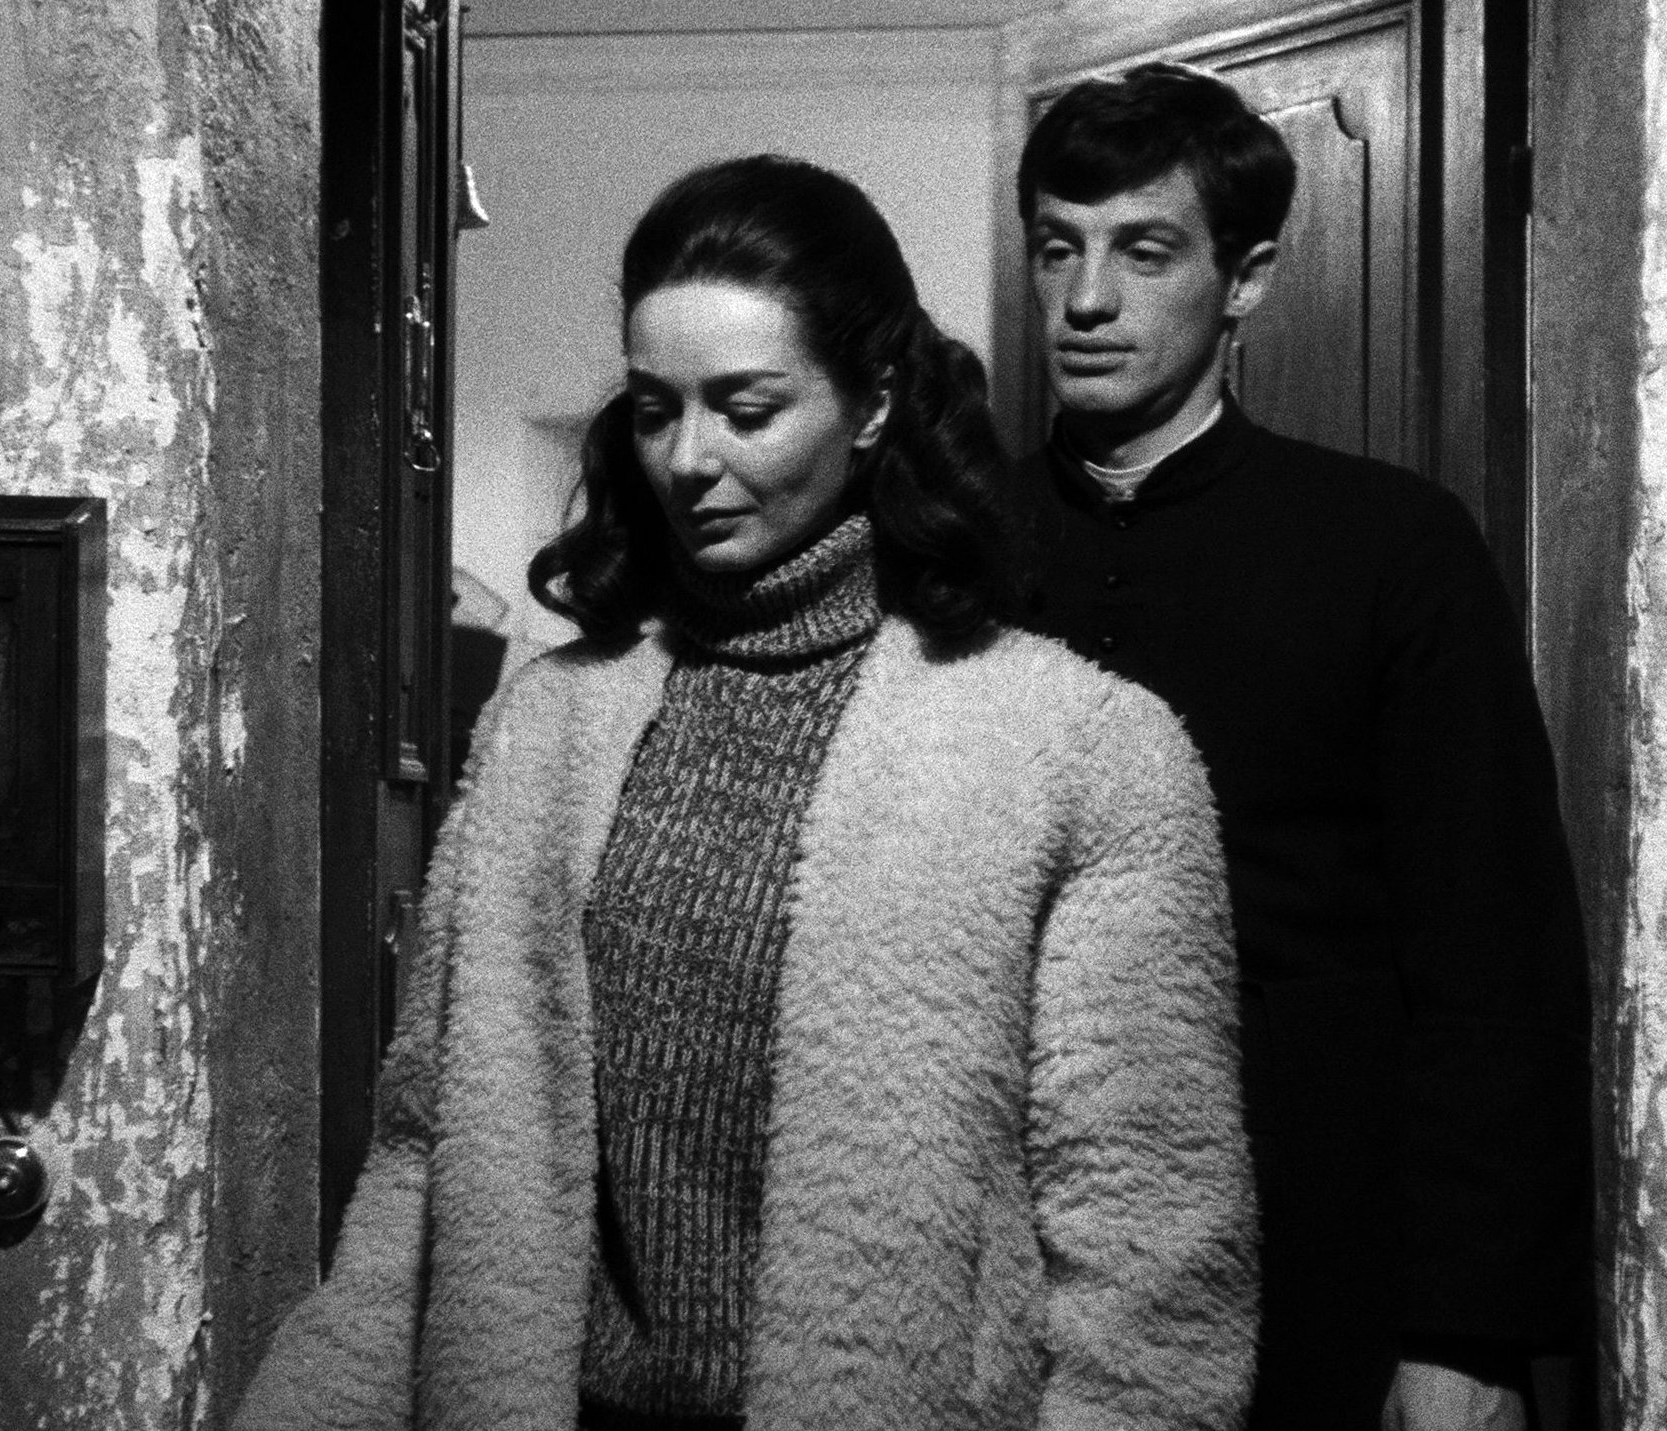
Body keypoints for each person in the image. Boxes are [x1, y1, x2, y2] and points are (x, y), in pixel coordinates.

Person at [236, 154, 1256, 1431]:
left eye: (747, 408)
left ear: (874, 403)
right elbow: (425, 1160)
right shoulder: (549, 725)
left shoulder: (1079, 747)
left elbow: (1148, 1252)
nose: (687, 458)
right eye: (654, 409)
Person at [1005, 63, 1592, 1431]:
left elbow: (1493, 957)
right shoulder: (951, 547)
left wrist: (1466, 1332)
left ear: (1248, 278)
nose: (1086, 299)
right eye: (1057, 248)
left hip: (1317, 1237)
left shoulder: (1390, 545)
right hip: (1014, 1245)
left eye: (1145, 251)